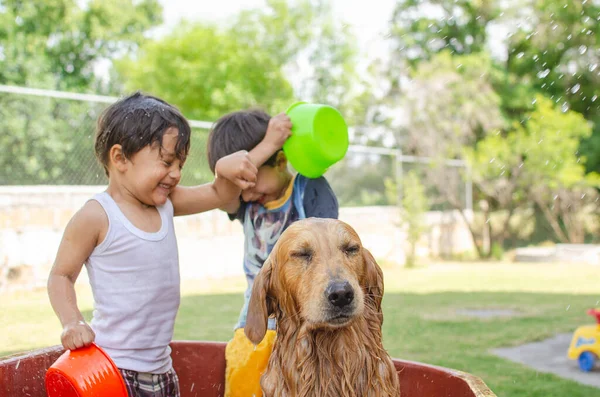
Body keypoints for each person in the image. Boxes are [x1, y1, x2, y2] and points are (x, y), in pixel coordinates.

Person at [47, 92, 257, 397]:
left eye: (180, 164)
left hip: (160, 366)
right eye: (167, 162)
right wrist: (72, 322)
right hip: (112, 367)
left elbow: (221, 196)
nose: (176, 174)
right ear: (119, 158)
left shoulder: (166, 203)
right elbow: (60, 276)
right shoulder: (97, 215)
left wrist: (224, 170)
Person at [206, 109, 339, 397]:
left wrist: (270, 145)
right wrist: (265, 146)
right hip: (256, 317)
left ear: (280, 161)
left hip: (307, 316)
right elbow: (221, 189)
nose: (247, 195)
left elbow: (331, 248)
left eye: (250, 182)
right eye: (239, 186)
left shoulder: (307, 190)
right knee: (245, 377)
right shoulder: (244, 201)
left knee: (307, 384)